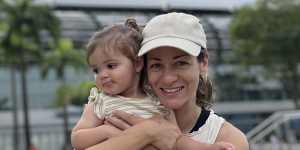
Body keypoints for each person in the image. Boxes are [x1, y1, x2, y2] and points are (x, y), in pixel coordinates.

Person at [87, 12, 249, 150]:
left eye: (181, 63)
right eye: (156, 65)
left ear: (203, 62)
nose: (168, 78)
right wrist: (145, 133)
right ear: (142, 67)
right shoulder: (113, 111)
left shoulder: (226, 139)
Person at [71, 19, 167, 150]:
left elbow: (172, 137)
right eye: (96, 70)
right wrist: (106, 131)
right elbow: (77, 138)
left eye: (111, 66)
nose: (102, 75)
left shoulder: (157, 102)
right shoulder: (101, 102)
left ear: (137, 64)